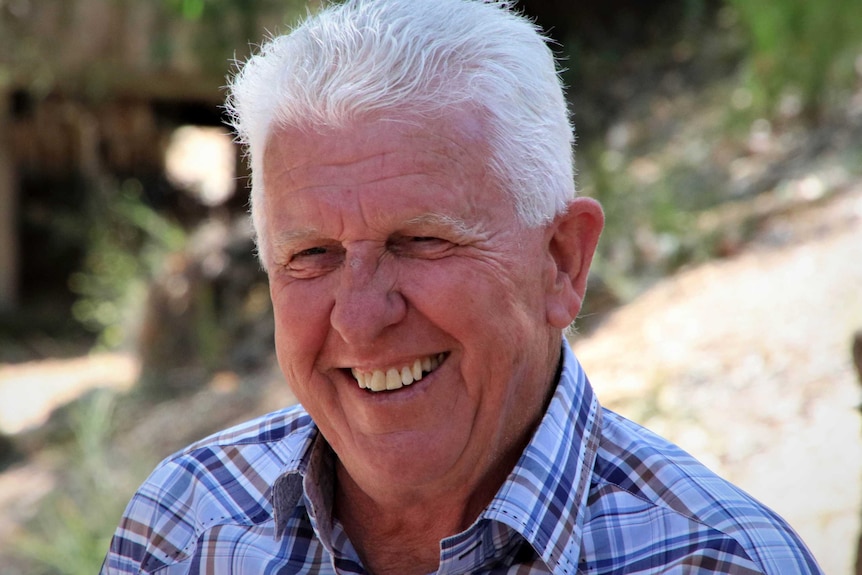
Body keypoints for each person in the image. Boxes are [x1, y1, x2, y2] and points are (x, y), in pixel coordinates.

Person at [101, 1, 824, 573]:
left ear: (562, 262)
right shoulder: (185, 529)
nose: (360, 317)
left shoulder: (716, 560)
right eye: (313, 254)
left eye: (422, 241)